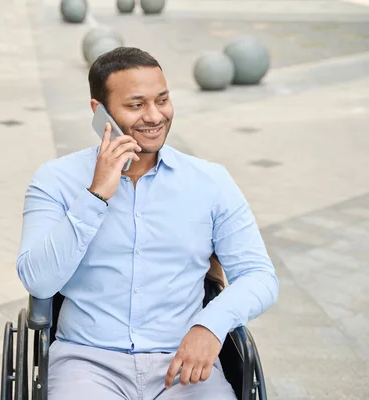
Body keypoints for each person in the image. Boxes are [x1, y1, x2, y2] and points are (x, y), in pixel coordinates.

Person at [16, 47, 279, 399]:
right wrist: (95, 196)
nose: (155, 116)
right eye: (136, 105)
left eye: (163, 100)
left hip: (183, 359)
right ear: (100, 111)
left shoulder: (210, 182)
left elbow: (260, 276)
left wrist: (210, 326)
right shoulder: (55, 180)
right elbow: (38, 280)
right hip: (86, 361)